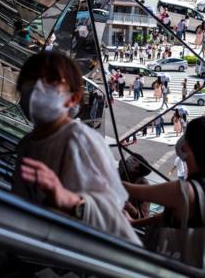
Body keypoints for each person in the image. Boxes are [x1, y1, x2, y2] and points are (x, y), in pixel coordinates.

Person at [12, 51, 140, 245]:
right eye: (30, 79)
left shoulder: (81, 140)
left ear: (73, 98)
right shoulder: (27, 144)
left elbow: (113, 208)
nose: (37, 87)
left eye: (51, 80)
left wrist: (68, 200)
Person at [124, 117, 205, 274]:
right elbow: (168, 216)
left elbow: (132, 190)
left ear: (193, 145)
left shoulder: (184, 190)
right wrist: (134, 223)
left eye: (187, 136)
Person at [119, 154, 152, 220]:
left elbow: (144, 218)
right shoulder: (120, 173)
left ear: (136, 169)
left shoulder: (144, 186)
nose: (127, 160)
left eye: (133, 160)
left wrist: (130, 208)